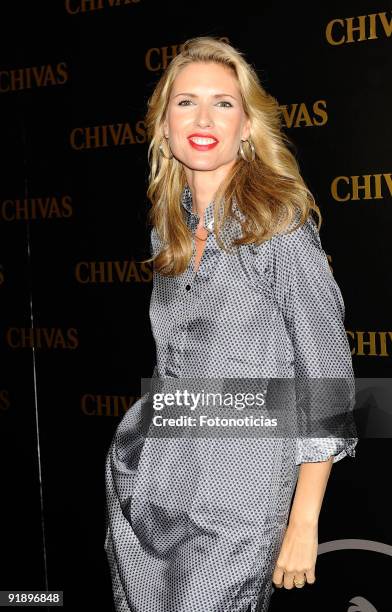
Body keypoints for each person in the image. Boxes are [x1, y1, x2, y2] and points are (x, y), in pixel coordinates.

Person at [104, 36, 358, 612]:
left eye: (223, 103)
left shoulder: (278, 224)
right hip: (151, 487)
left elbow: (327, 375)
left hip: (239, 493)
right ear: (163, 126)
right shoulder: (167, 233)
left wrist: (304, 520)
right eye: (185, 102)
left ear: (247, 125)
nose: (203, 117)